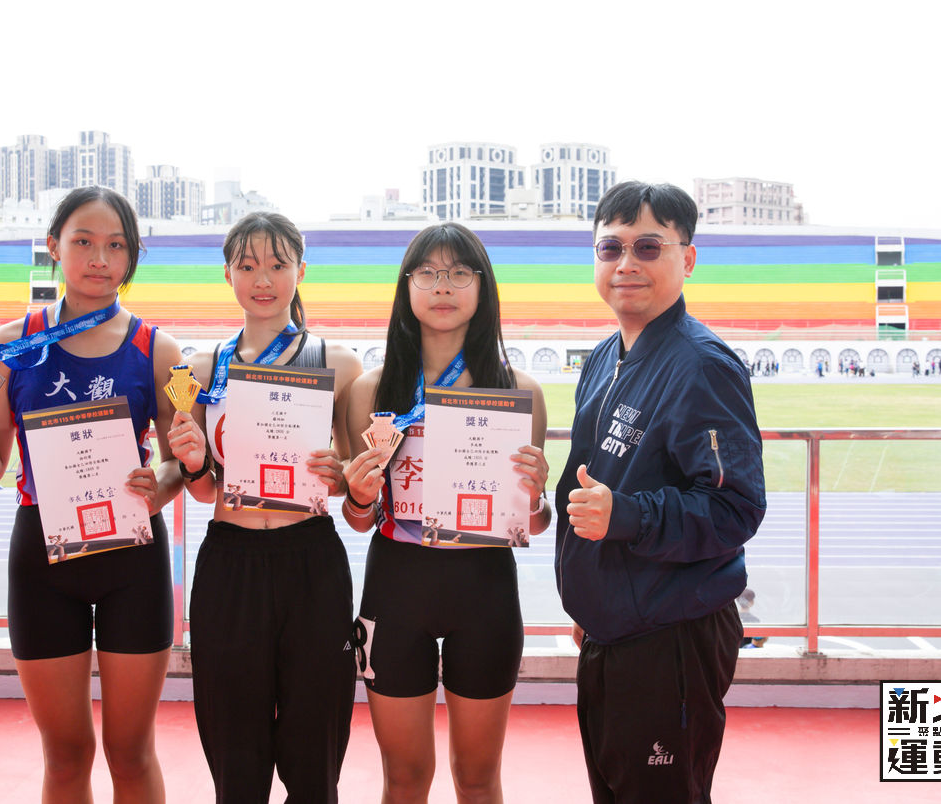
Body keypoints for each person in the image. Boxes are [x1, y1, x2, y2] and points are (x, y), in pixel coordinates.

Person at [0, 185, 182, 802]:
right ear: (53, 246)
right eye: (83, 242)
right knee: (66, 756)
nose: (100, 258)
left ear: (132, 256)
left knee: (131, 753)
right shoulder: (7, 346)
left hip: (133, 558)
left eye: (116, 246)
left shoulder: (162, 350)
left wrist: (162, 485)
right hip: (42, 562)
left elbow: (183, 458)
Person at [554, 181, 766, 804]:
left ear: (687, 258)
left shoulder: (702, 365)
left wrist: (627, 517)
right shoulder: (604, 356)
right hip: (613, 631)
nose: (626, 263)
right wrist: (591, 603)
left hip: (671, 635)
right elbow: (593, 483)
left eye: (648, 247)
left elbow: (735, 506)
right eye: (610, 247)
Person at [341, 223, 552, 803]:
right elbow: (359, 519)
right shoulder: (371, 391)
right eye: (428, 273)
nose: (443, 286)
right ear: (406, 286)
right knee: (404, 778)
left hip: (485, 590)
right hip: (396, 588)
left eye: (460, 273)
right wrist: (358, 496)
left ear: (483, 287)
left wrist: (536, 496)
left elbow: (533, 522)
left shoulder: (519, 392)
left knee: (478, 778)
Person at [167, 211, 362, 802]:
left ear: (301, 270)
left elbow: (352, 487)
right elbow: (203, 489)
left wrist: (340, 475)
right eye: (247, 265)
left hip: (312, 561)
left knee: (315, 749)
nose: (263, 279)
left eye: (278, 264)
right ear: (227, 273)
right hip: (230, 562)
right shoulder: (194, 371)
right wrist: (194, 461)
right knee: (235, 753)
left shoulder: (340, 363)